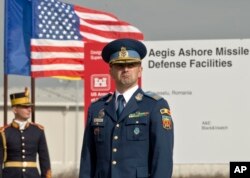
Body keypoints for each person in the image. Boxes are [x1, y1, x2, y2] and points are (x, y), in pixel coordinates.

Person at [79, 38, 174, 178]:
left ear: (140, 70)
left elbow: (162, 157)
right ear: (110, 71)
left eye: (131, 64)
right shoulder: (97, 109)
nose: (125, 69)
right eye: (119, 65)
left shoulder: (154, 106)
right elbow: (88, 159)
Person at [0, 88, 51, 178]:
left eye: (30, 107)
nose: (29, 109)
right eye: (25, 107)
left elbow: (44, 161)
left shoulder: (38, 131)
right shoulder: (4, 132)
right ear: (15, 109)